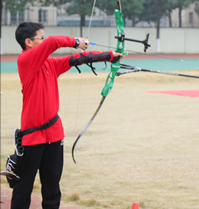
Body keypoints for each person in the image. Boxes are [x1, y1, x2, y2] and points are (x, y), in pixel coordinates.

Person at [11, 22, 122, 209]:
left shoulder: (50, 64)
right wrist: (76, 41)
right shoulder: (25, 61)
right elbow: (54, 41)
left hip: (54, 134)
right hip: (32, 137)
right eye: (41, 37)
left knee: (52, 185)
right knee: (24, 186)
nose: (45, 40)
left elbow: (77, 59)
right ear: (28, 42)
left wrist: (110, 55)